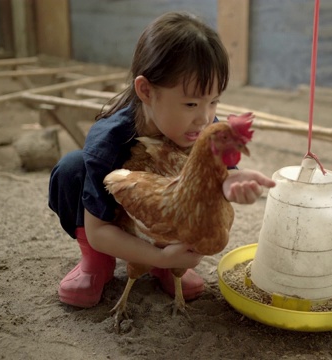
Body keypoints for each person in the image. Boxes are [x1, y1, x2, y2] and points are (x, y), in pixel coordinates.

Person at [48, 11, 275, 308]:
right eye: (191, 103)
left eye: (214, 101)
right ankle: (96, 262)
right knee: (72, 168)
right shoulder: (108, 141)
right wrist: (159, 256)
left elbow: (218, 178)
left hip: (165, 225)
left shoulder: (200, 128)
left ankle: (170, 267)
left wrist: (231, 180)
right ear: (145, 90)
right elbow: (99, 230)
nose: (205, 117)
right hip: (115, 223)